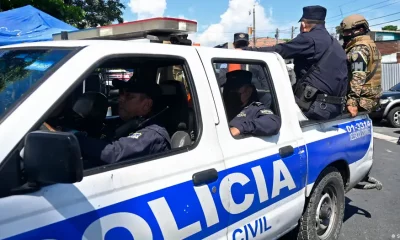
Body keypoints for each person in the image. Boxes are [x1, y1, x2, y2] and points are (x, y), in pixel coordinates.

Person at [241, 5, 348, 121]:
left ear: (303, 24)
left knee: (262, 114)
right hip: (335, 108)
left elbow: (280, 50)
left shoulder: (309, 39)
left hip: (314, 108)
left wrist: (245, 51)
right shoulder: (335, 44)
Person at [74, 79, 171, 166]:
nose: (120, 99)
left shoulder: (153, 134)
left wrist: (73, 139)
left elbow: (113, 153)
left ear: (146, 105)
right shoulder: (128, 122)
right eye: (121, 93)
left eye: (129, 96)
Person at [339, 14, 382, 117]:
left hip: (360, 101)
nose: (345, 34)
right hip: (371, 98)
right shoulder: (371, 45)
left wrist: (352, 102)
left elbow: (358, 76)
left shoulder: (359, 49)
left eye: (348, 31)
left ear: (360, 30)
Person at [217, 32, 272, 109]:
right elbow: (266, 86)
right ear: (248, 44)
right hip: (249, 103)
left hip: (233, 102)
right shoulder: (257, 62)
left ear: (233, 44)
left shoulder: (226, 62)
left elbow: (221, 81)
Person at [222, 70, 281, 137]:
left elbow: (273, 123)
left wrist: (240, 128)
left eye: (235, 89)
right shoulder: (222, 107)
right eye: (228, 88)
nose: (230, 91)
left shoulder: (255, 110)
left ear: (248, 91)